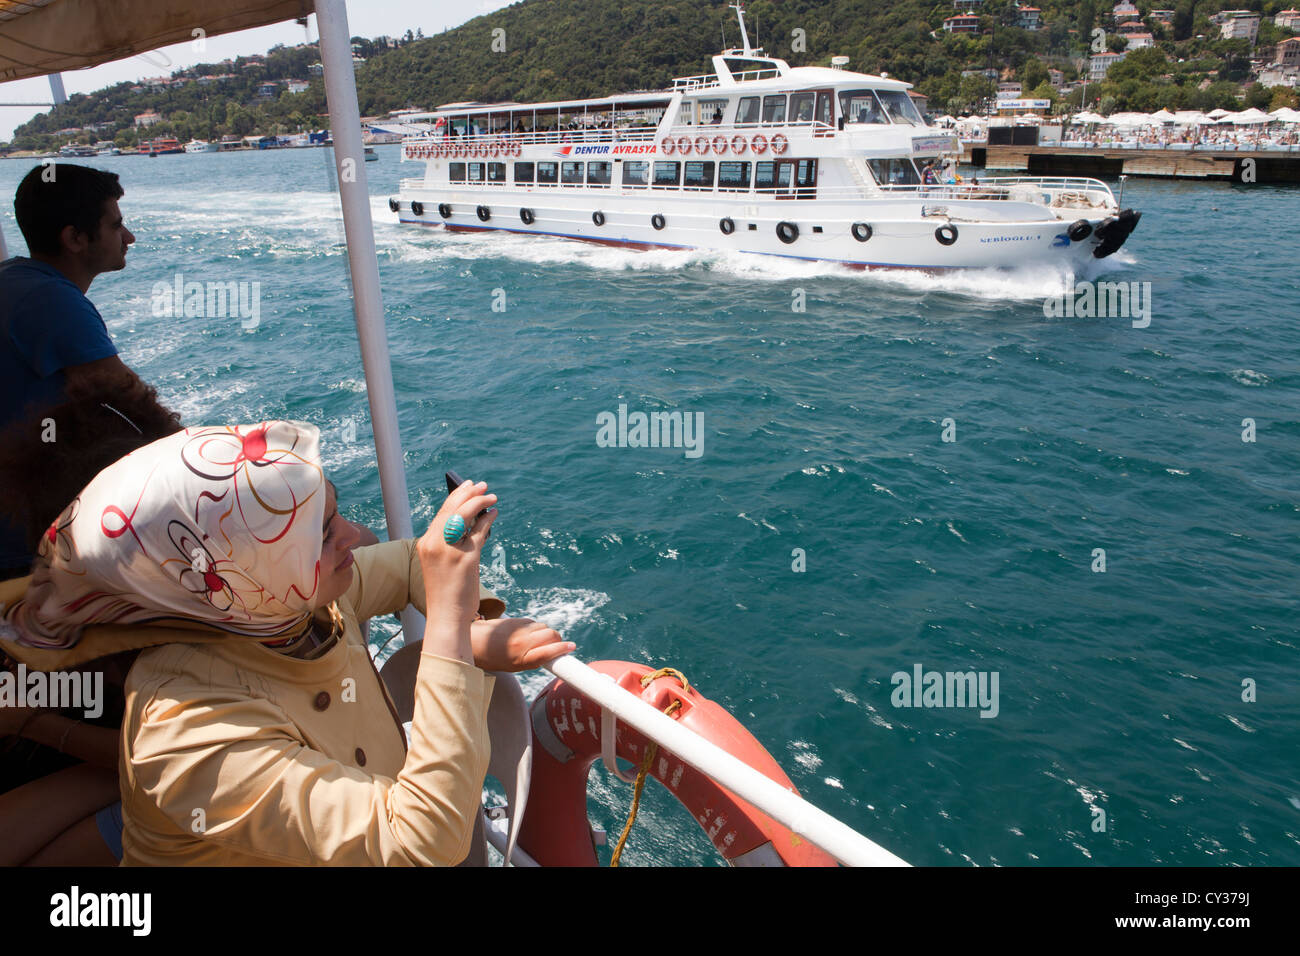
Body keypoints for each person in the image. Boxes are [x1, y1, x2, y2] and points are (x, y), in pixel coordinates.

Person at [1, 420, 572, 865]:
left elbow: (407, 561)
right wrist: (453, 635)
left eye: (332, 511)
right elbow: (423, 842)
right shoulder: (186, 733)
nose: (353, 536)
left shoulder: (283, 606)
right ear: (238, 572)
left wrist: (470, 622)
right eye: (322, 532)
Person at [1, 164, 145, 578]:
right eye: (116, 225)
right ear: (75, 238)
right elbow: (132, 406)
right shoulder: (51, 301)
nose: (129, 237)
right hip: (22, 547)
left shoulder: (14, 280)